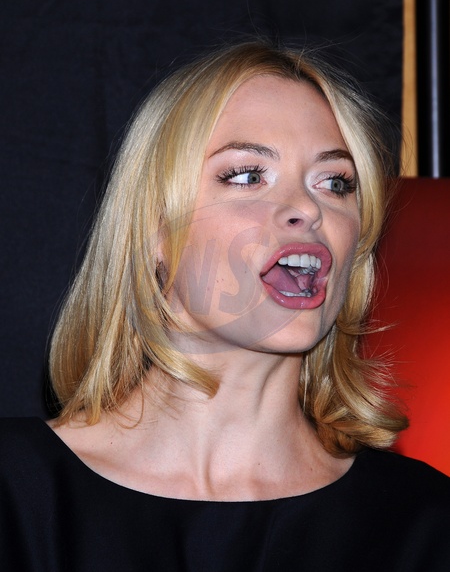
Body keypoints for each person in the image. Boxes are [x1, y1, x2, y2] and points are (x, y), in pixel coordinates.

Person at [1, 41, 449, 571]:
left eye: (335, 183)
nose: (307, 208)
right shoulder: (17, 494)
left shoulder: (424, 522)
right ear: (154, 230)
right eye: (247, 175)